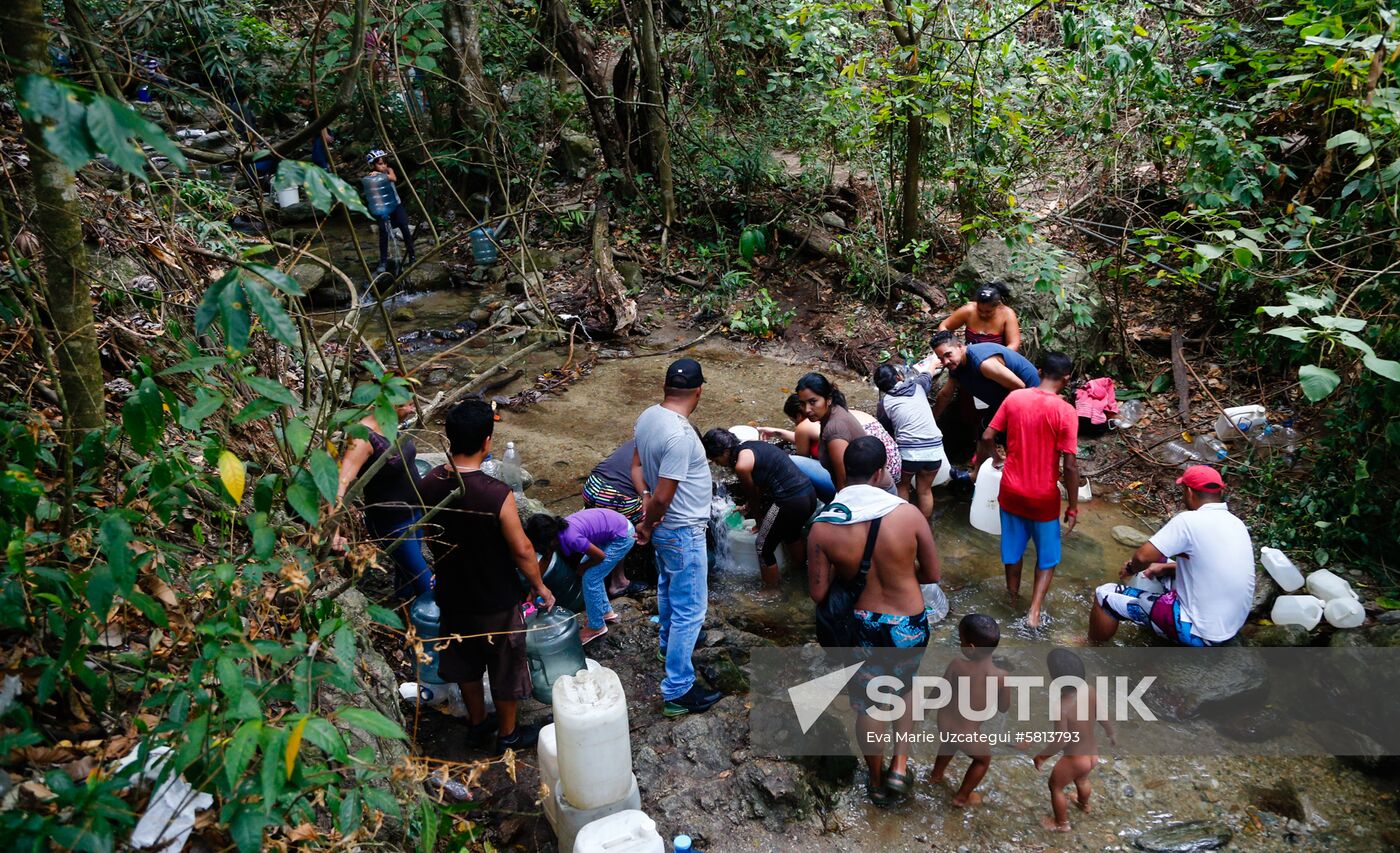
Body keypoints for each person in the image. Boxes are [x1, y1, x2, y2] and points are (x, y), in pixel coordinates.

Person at [417, 398, 555, 753]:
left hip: (452, 594)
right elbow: (523, 549)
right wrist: (540, 586)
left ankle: (477, 724)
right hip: (495, 598)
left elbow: (427, 534)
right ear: (487, 442)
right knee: (504, 664)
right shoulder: (495, 495)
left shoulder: (430, 482)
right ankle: (507, 734)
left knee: (464, 662)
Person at [808, 437, 941, 804]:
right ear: (882, 471)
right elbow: (931, 574)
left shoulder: (824, 525)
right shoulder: (908, 514)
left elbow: (819, 594)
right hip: (909, 622)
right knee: (907, 688)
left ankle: (877, 778)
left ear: (843, 472)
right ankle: (900, 766)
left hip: (863, 622)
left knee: (870, 703)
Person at [632, 359, 722, 717]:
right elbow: (666, 496)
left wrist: (644, 502)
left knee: (669, 587)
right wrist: (647, 522)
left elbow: (636, 467)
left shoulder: (648, 416)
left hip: (667, 529)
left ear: (665, 388)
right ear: (699, 390)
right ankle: (678, 689)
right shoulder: (681, 436)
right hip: (682, 529)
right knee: (691, 609)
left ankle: (667, 644)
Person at [1089, 465, 1254, 646]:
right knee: (1161, 561)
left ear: (1189, 492)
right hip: (1228, 628)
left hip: (1198, 633)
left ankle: (1091, 647)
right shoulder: (1236, 524)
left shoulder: (1189, 521)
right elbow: (1212, 569)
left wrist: (1130, 568)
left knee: (1104, 595)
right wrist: (1164, 568)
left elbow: (1142, 557)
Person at [977, 352, 1080, 628]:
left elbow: (987, 436)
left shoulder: (1015, 398)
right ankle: (1034, 612)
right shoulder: (1066, 411)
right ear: (1067, 379)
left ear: (1038, 370)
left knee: (1013, 550)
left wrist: (997, 459)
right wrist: (1072, 505)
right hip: (1043, 497)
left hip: (1011, 491)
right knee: (1047, 555)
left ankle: (1011, 599)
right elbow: (1070, 466)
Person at [333, 387, 428, 599]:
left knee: (407, 576)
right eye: (409, 405)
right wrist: (334, 530)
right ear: (392, 405)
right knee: (425, 582)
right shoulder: (362, 438)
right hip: (392, 523)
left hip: (417, 513)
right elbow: (340, 483)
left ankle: (403, 615)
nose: (414, 409)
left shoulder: (390, 424)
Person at [702, 428, 818, 589]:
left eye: (715, 458)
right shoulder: (752, 446)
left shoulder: (742, 465)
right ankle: (799, 575)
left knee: (763, 545)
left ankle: (770, 590)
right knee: (792, 534)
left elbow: (754, 497)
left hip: (789, 502)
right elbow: (763, 482)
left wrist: (759, 521)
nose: (716, 463)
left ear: (726, 452)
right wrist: (746, 507)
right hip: (808, 496)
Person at [929, 614, 1011, 807]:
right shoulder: (1001, 676)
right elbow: (1004, 707)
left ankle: (935, 775)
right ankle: (961, 797)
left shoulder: (957, 664)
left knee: (949, 743)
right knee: (983, 759)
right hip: (966, 733)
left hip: (945, 724)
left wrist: (923, 710)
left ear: (971, 648)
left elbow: (939, 691)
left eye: (961, 640)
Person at [1032, 648, 1116, 833]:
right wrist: (1111, 733)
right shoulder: (1091, 691)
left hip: (1075, 759)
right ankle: (1083, 804)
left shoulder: (1061, 707)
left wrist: (1042, 756)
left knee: (1055, 786)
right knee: (1083, 780)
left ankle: (1061, 824)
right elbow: (1103, 716)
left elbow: (1061, 739)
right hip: (1092, 754)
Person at [524, 509, 636, 645]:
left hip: (622, 536)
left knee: (591, 577)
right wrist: (535, 586)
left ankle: (596, 626)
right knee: (592, 572)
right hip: (611, 531)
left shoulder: (572, 537)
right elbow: (546, 558)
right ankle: (605, 612)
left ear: (550, 540)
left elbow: (600, 556)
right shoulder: (555, 532)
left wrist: (583, 568)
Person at [794, 373, 899, 493]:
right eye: (803, 404)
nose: (807, 409)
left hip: (875, 494)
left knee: (793, 462)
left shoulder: (834, 430)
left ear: (828, 399)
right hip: (871, 486)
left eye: (813, 402)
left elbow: (844, 483)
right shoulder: (833, 411)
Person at [874, 364, 946, 519]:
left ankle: (905, 524)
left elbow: (887, 433)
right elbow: (928, 373)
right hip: (934, 450)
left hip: (909, 454)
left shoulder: (884, 404)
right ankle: (924, 526)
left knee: (902, 485)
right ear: (899, 377)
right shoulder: (919, 386)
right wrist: (934, 363)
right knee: (925, 490)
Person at [930, 330, 1041, 432]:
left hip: (1033, 399)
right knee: (984, 435)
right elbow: (945, 395)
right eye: (940, 358)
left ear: (959, 346)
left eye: (948, 354)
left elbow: (1020, 387)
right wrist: (931, 421)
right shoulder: (956, 366)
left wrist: (1007, 417)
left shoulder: (983, 363)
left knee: (999, 435)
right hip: (1007, 400)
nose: (945, 362)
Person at [582, 440, 649, 597]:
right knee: (633, 527)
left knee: (608, 529)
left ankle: (593, 563)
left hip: (591, 485)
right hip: (616, 497)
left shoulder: (641, 439)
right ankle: (618, 582)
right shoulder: (669, 453)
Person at [758, 394, 834, 501]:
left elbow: (801, 461)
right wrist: (777, 432)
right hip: (855, 477)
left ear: (798, 416)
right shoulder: (824, 416)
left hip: (835, 484)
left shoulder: (803, 427)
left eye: (793, 420)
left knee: (788, 462)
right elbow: (804, 440)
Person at [365, 149, 417, 272]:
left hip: (396, 205)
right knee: (383, 233)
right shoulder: (371, 178)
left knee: (404, 228)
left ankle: (412, 255)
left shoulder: (389, 171)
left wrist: (381, 175)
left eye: (384, 163)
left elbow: (393, 178)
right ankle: (383, 261)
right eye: (379, 164)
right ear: (372, 166)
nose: (383, 166)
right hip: (383, 210)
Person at [939, 282, 1022, 350]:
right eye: (980, 310)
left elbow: (1014, 344)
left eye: (988, 312)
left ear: (998, 306)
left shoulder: (1007, 314)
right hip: (969, 356)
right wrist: (952, 346)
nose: (983, 314)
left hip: (997, 360)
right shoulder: (969, 310)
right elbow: (944, 326)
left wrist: (1000, 356)